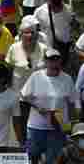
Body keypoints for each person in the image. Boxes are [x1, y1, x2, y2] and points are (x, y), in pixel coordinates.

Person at [21, 47, 80, 164]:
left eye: (56, 59)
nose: (53, 62)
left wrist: (72, 126)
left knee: (52, 160)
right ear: (45, 61)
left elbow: (72, 103)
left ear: (60, 60)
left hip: (58, 127)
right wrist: (37, 107)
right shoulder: (36, 76)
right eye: (50, 59)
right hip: (36, 126)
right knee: (32, 157)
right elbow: (24, 95)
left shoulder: (67, 79)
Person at [7, 15, 49, 143]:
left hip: (38, 94)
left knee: (38, 122)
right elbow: (9, 68)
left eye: (32, 33)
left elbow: (49, 70)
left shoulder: (44, 49)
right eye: (26, 33)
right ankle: (23, 144)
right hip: (19, 93)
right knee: (21, 120)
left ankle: (35, 145)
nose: (29, 36)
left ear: (36, 35)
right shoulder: (14, 48)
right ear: (21, 35)